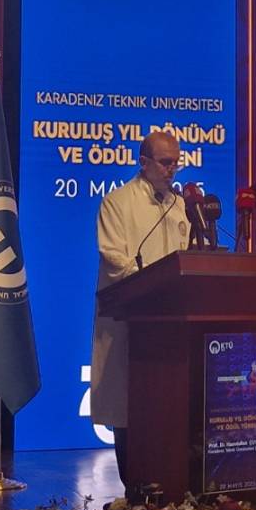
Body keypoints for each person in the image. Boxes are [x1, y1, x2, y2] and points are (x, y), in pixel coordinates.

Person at [90, 130, 189, 478]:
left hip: (171, 321)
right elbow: (114, 259)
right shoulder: (117, 203)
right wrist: (155, 283)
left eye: (176, 162)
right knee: (128, 404)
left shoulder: (179, 206)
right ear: (143, 162)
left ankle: (170, 486)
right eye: (165, 162)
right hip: (130, 318)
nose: (171, 169)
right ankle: (133, 487)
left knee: (169, 403)